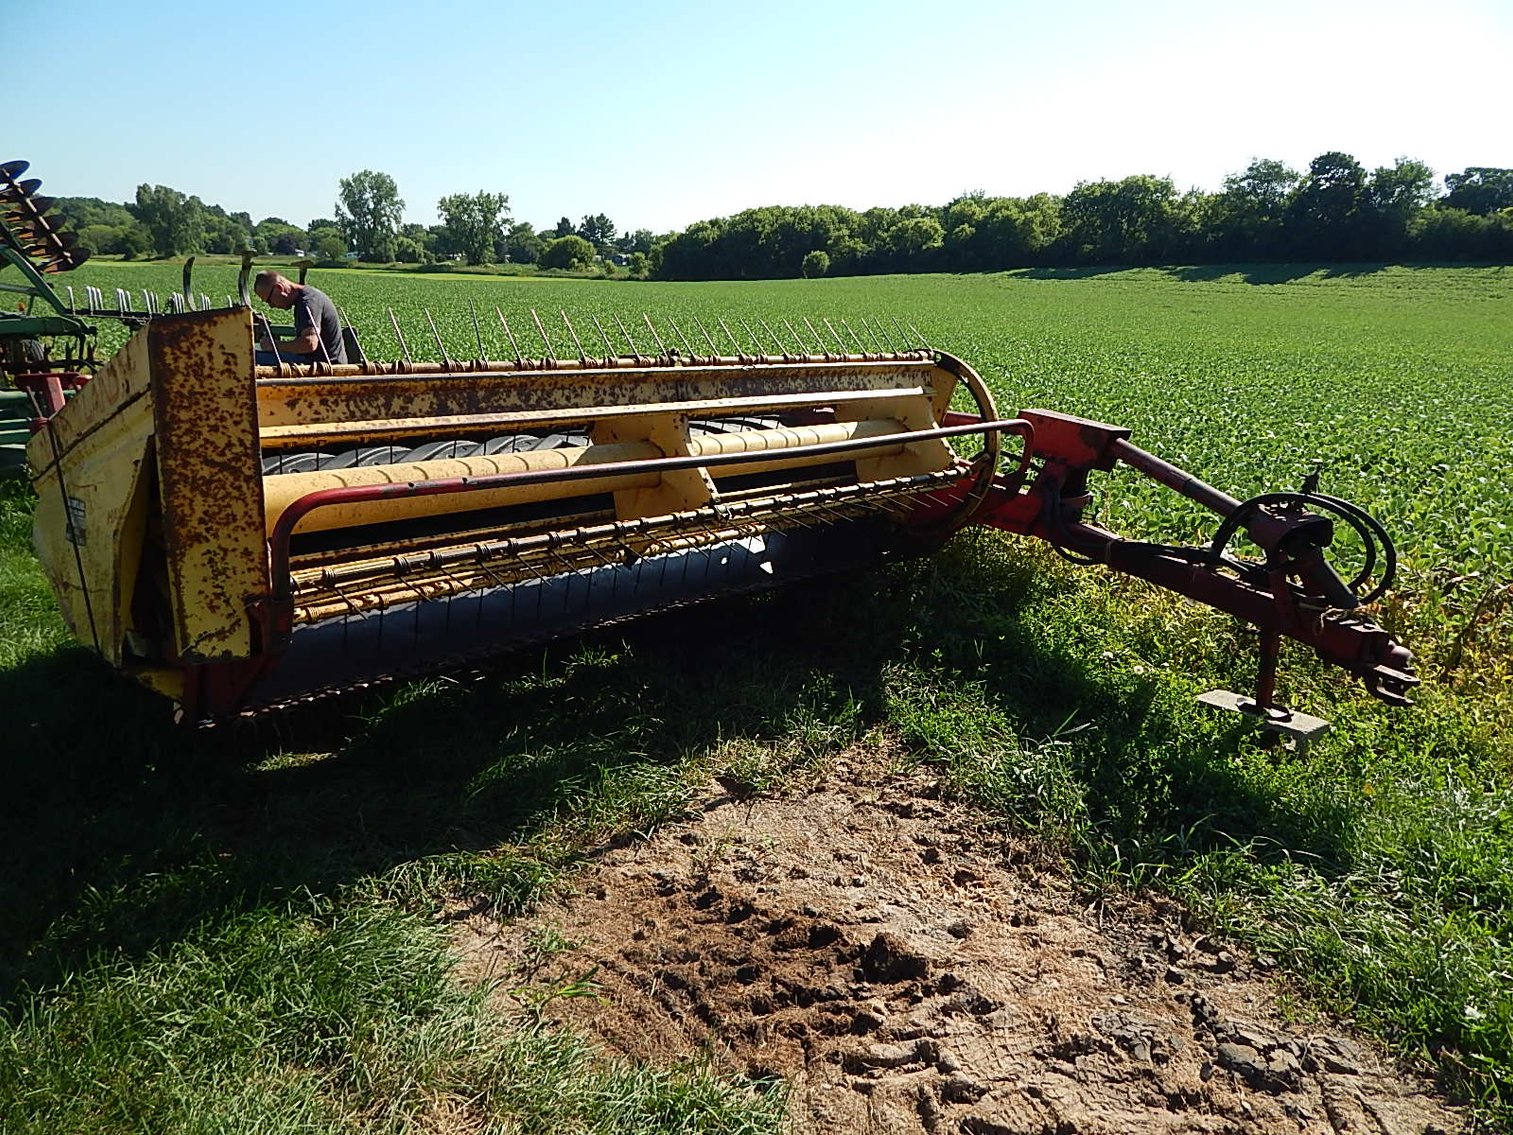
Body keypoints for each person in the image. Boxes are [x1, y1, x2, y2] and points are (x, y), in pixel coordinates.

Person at [252, 270, 348, 364]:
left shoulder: (308, 302)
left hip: (324, 364)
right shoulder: (306, 298)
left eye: (269, 300)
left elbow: (309, 344)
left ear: (279, 288)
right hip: (316, 360)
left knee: (252, 359)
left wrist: (274, 345)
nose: (271, 306)